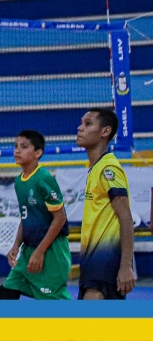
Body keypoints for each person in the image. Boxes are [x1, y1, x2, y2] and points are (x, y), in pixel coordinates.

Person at [0, 129, 71, 300]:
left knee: (52, 299)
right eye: (16, 146)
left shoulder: (43, 177)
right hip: (29, 250)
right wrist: (16, 246)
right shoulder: (19, 181)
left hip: (51, 250)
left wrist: (40, 251)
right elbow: (25, 217)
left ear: (38, 153)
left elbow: (60, 218)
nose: (17, 151)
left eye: (24, 147)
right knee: (6, 291)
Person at [76, 108, 136, 299]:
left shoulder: (108, 169)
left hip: (104, 265)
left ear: (105, 131)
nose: (80, 128)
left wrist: (126, 267)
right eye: (81, 123)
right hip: (92, 262)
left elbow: (125, 217)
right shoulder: (95, 168)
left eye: (88, 124)